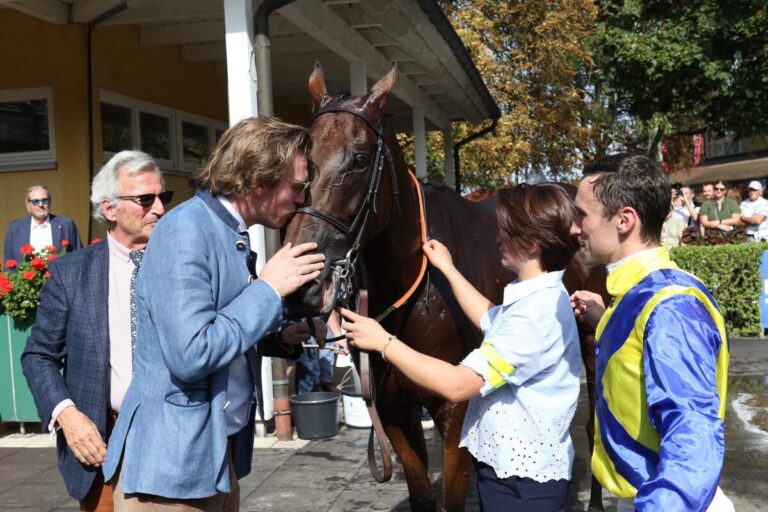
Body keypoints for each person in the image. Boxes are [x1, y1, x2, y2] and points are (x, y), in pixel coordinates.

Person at [102, 116, 325, 511]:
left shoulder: (226, 230)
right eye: (297, 186)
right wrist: (269, 289)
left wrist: (278, 334)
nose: (303, 199)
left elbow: (220, 321)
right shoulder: (184, 229)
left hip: (212, 459)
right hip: (171, 475)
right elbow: (191, 353)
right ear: (259, 181)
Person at [341, 183, 582, 511]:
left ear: (532, 245)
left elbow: (458, 385)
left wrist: (384, 341)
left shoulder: (533, 316)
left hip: (522, 486)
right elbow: (489, 318)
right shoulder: (538, 295)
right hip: (513, 473)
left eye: (505, 232)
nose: (496, 238)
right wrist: (449, 270)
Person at [569, 154, 732, 512]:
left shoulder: (670, 308)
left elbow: (692, 434)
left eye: (582, 215)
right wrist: (607, 321)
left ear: (625, 220)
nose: (573, 229)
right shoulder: (638, 297)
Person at [21, 150, 171, 512]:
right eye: (145, 200)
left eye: (163, 197)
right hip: (103, 448)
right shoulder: (71, 273)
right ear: (109, 209)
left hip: (175, 440)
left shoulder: (182, 263)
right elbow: (38, 355)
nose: (160, 209)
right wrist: (68, 416)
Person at [4, 185, 82, 263]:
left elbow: (78, 256)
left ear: (50, 202)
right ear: (28, 205)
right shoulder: (15, 228)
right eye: (36, 201)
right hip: (25, 275)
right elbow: (9, 262)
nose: (41, 205)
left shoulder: (66, 225)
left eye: (44, 200)